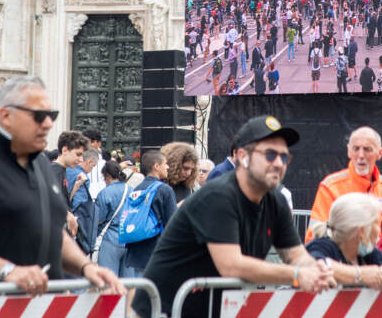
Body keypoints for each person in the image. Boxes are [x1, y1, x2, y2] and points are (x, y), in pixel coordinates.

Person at [134, 115, 336, 318]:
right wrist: (297, 275)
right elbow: (231, 265)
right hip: (164, 310)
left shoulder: (276, 201)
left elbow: (296, 255)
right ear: (242, 156)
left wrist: (316, 270)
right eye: (269, 154)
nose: (278, 163)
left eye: (284, 157)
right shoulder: (219, 196)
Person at [0, 75, 123, 294]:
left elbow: (54, 234)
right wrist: (9, 271)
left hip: (42, 305)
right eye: (38, 116)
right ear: (6, 115)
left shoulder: (41, 164)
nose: (48, 123)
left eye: (51, 115)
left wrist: (86, 267)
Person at [306, 127, 382, 242]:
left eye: (367, 149)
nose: (361, 155)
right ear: (349, 151)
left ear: (380, 153)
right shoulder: (331, 187)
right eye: (356, 149)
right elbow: (314, 237)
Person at [306, 192, 382, 288]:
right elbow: (316, 265)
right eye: (375, 223)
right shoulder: (322, 246)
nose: (378, 230)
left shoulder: (366, 255)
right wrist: (361, 275)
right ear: (361, 231)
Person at [122, 149, 177, 277]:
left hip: (137, 250)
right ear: (156, 166)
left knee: (140, 290)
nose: (168, 167)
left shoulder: (137, 189)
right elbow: (172, 224)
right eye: (165, 164)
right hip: (157, 251)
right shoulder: (165, 190)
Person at [93, 161, 129, 276]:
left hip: (110, 240)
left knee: (109, 281)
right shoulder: (132, 190)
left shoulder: (104, 193)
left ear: (107, 176)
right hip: (129, 239)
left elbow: (99, 219)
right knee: (129, 284)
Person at [49, 130, 88, 238]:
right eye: (78, 154)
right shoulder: (55, 170)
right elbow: (49, 202)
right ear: (65, 150)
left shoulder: (62, 170)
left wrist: (76, 187)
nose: (80, 160)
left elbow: (62, 201)